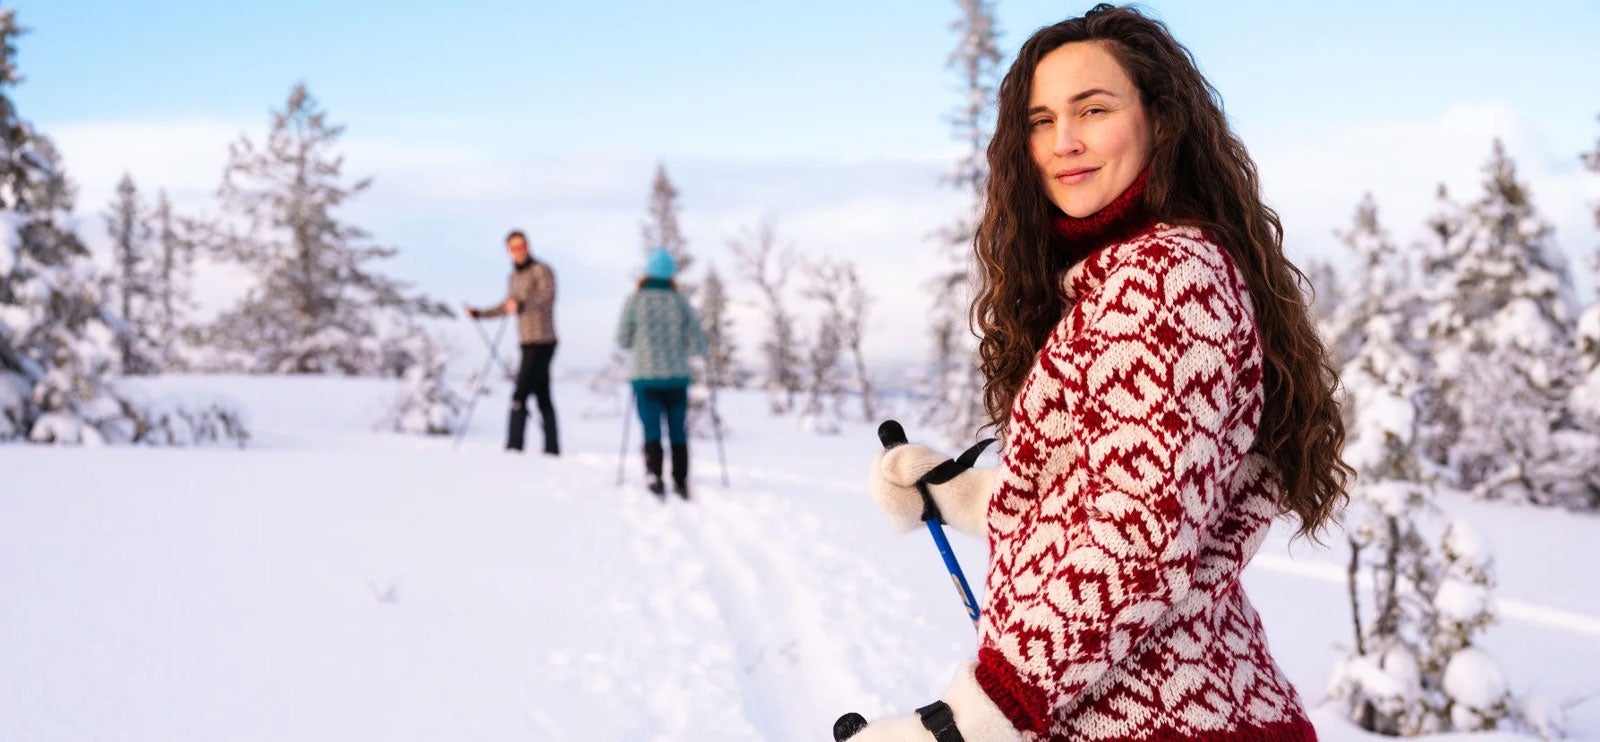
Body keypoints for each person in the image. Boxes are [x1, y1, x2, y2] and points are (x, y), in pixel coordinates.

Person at [852, 5, 1351, 741]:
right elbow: (1109, 492)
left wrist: (967, 722)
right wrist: (955, 494)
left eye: (1094, 108)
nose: (1065, 142)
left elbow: (1138, 531)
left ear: (1160, 120)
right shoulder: (1129, 275)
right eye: (1041, 120)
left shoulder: (1166, 278)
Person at [616, 246, 708, 499]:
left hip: (646, 377)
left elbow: (622, 339)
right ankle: (680, 480)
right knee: (678, 429)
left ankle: (654, 475)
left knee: (652, 429)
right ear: (671, 274)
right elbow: (697, 342)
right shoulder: (681, 301)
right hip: (677, 376)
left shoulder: (636, 300)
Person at [465, 230, 560, 455]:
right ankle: (552, 449)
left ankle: (514, 448)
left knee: (520, 394)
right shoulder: (514, 277)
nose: (520, 251)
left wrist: (522, 305)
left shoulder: (542, 270)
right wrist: (479, 313)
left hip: (543, 341)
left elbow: (546, 297)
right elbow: (507, 305)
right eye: (514, 248)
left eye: (523, 246)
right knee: (542, 395)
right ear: (509, 251)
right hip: (526, 341)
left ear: (528, 246)